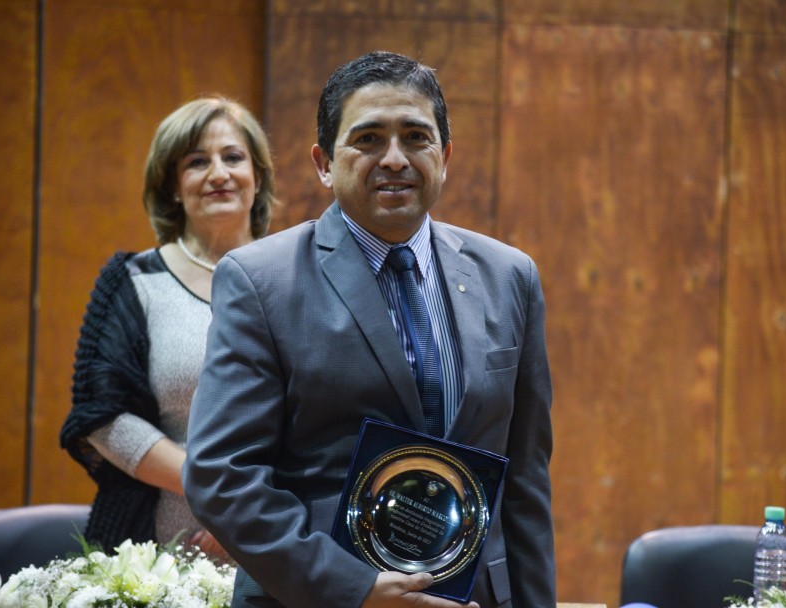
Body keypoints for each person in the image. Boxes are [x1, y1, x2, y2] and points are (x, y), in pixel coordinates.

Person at [183, 51, 555, 607]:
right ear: (324, 163)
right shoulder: (261, 281)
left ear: (445, 155)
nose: (395, 159)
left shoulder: (508, 277)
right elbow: (222, 475)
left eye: (415, 137)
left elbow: (524, 482)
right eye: (368, 139)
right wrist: (354, 588)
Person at [60, 96, 276, 560]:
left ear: (257, 178)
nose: (218, 173)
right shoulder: (134, 282)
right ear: (174, 186)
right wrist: (215, 494)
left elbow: (324, 421)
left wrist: (250, 513)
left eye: (233, 158)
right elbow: (102, 415)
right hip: (151, 555)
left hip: (278, 545)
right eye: (197, 162)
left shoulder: (300, 281)